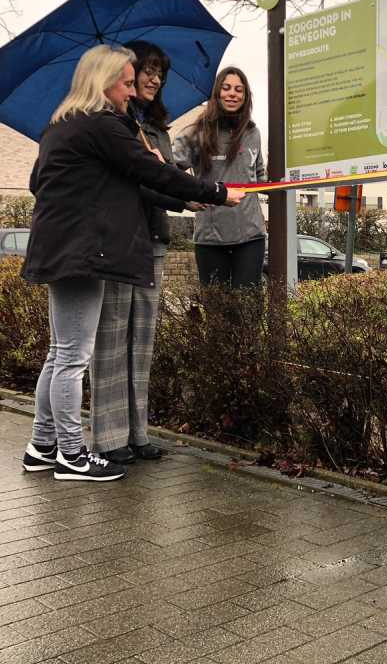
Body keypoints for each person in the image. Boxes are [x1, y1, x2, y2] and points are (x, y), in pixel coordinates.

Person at [21, 44, 244, 482]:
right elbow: (150, 172)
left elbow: (38, 182)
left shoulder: (62, 126)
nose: (131, 90)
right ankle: (70, 453)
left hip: (61, 249)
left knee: (58, 354)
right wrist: (216, 192)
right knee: (71, 357)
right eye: (125, 82)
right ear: (103, 83)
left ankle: (41, 446)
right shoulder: (103, 125)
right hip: (81, 253)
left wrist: (168, 187)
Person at [88, 40, 202, 465]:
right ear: (125, 77)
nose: (154, 79)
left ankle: (138, 432)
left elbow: (163, 177)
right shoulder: (110, 123)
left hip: (154, 239)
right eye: (146, 71)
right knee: (112, 339)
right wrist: (178, 193)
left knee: (142, 342)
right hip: (120, 242)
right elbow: (134, 180)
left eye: (160, 72)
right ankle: (108, 436)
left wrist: (180, 187)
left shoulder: (156, 128)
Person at [173, 67, 266, 288]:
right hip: (210, 237)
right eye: (226, 88)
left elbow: (260, 176)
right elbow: (170, 173)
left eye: (238, 90)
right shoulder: (196, 132)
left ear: (245, 97)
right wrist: (186, 200)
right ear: (216, 94)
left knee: (248, 309)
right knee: (217, 313)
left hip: (250, 235)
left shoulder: (253, 133)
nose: (232, 94)